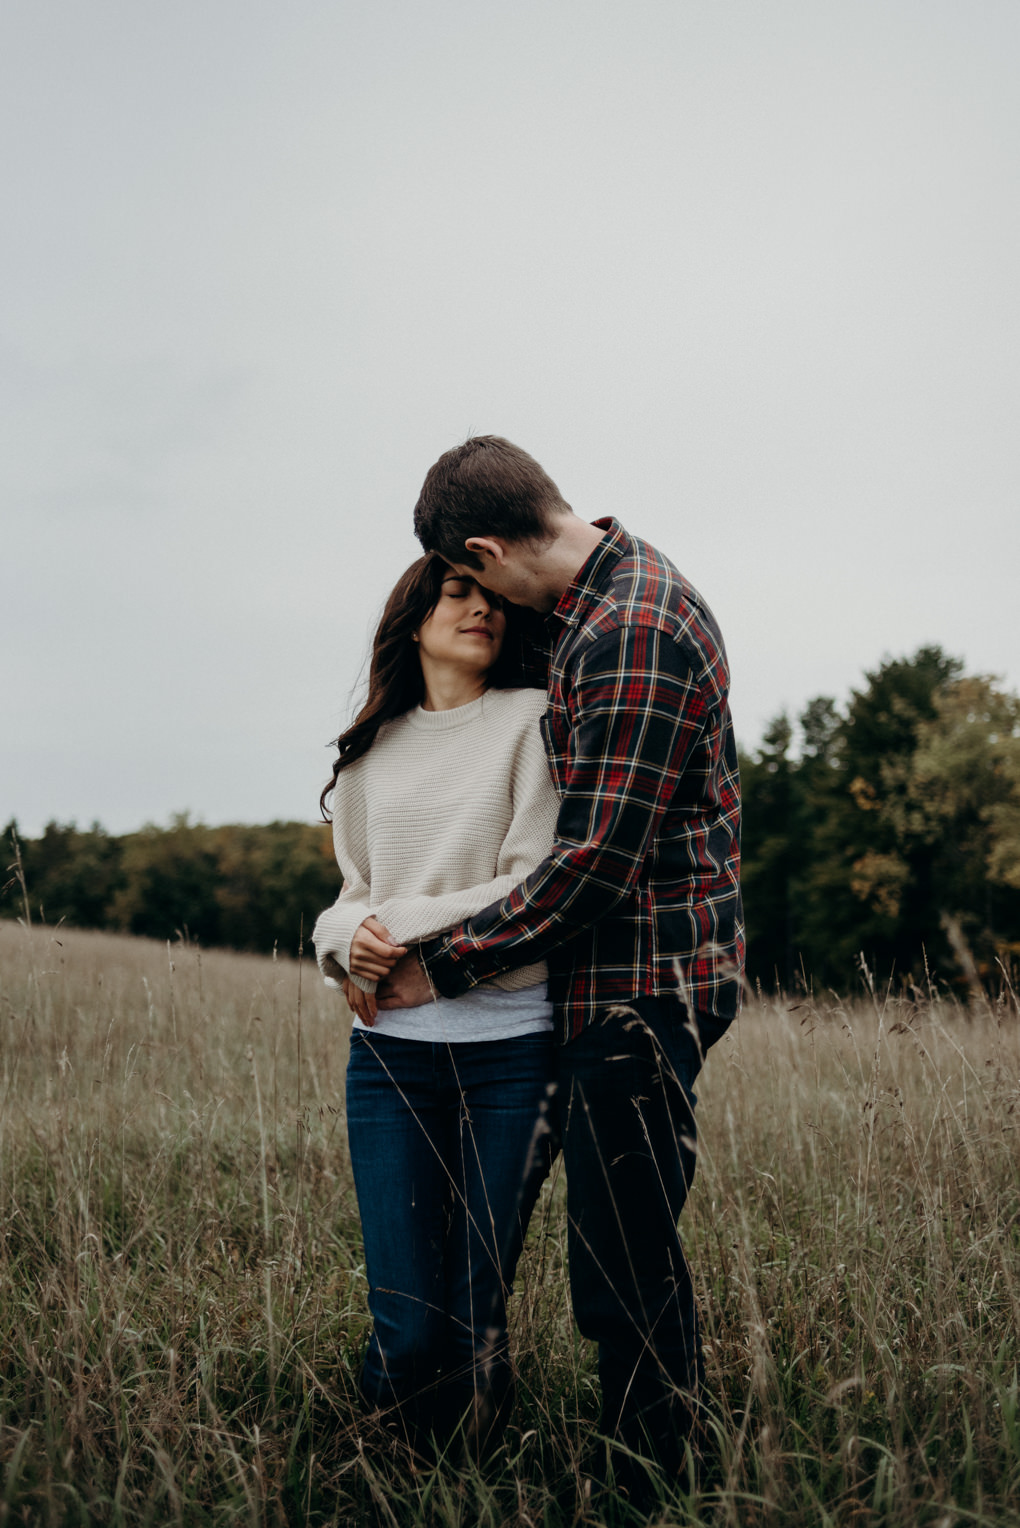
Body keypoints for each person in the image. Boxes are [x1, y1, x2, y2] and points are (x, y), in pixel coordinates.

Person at [377, 436, 744, 1503]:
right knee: (613, 1248)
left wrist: (435, 966)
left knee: (623, 1260)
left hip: (642, 985)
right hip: (602, 982)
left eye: (471, 573)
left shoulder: (631, 630)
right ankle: (631, 1458)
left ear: (489, 546)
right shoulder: (596, 605)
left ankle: (649, 1481)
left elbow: (593, 868)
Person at [312, 552, 560, 1460]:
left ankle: (473, 1482)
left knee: (471, 1313)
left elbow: (532, 880)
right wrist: (342, 940)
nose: (482, 609)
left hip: (513, 1054)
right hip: (390, 1058)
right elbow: (353, 895)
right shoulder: (371, 750)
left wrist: (395, 925)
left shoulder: (530, 722)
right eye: (458, 594)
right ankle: (379, 1476)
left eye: (494, 598)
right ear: (413, 619)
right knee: (405, 1321)